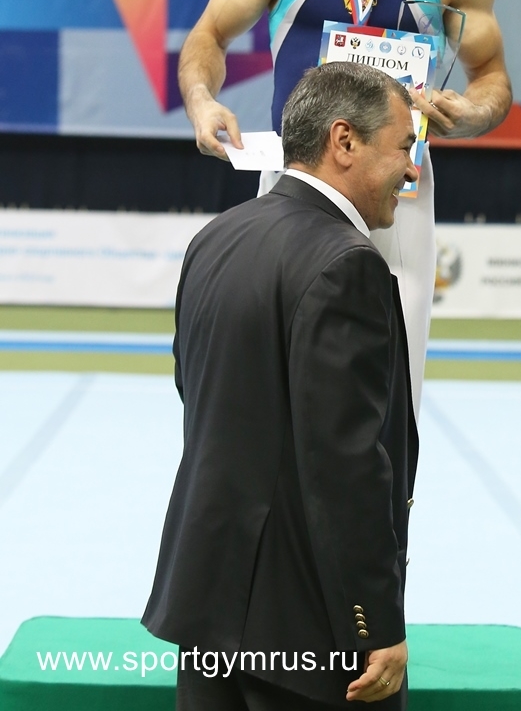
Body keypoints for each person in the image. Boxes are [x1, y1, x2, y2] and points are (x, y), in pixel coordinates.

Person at [177, 0, 512, 416]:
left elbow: (492, 77)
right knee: (266, 391)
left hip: (396, 196)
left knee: (386, 401)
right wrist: (201, 98)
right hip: (291, 183)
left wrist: (472, 113)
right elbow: (207, 39)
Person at [142, 62, 420, 710]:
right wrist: (373, 622)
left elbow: (195, 391)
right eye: (404, 146)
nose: (412, 171)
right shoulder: (347, 263)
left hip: (207, 605)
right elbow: (345, 466)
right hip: (305, 629)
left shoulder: (216, 237)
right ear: (344, 141)